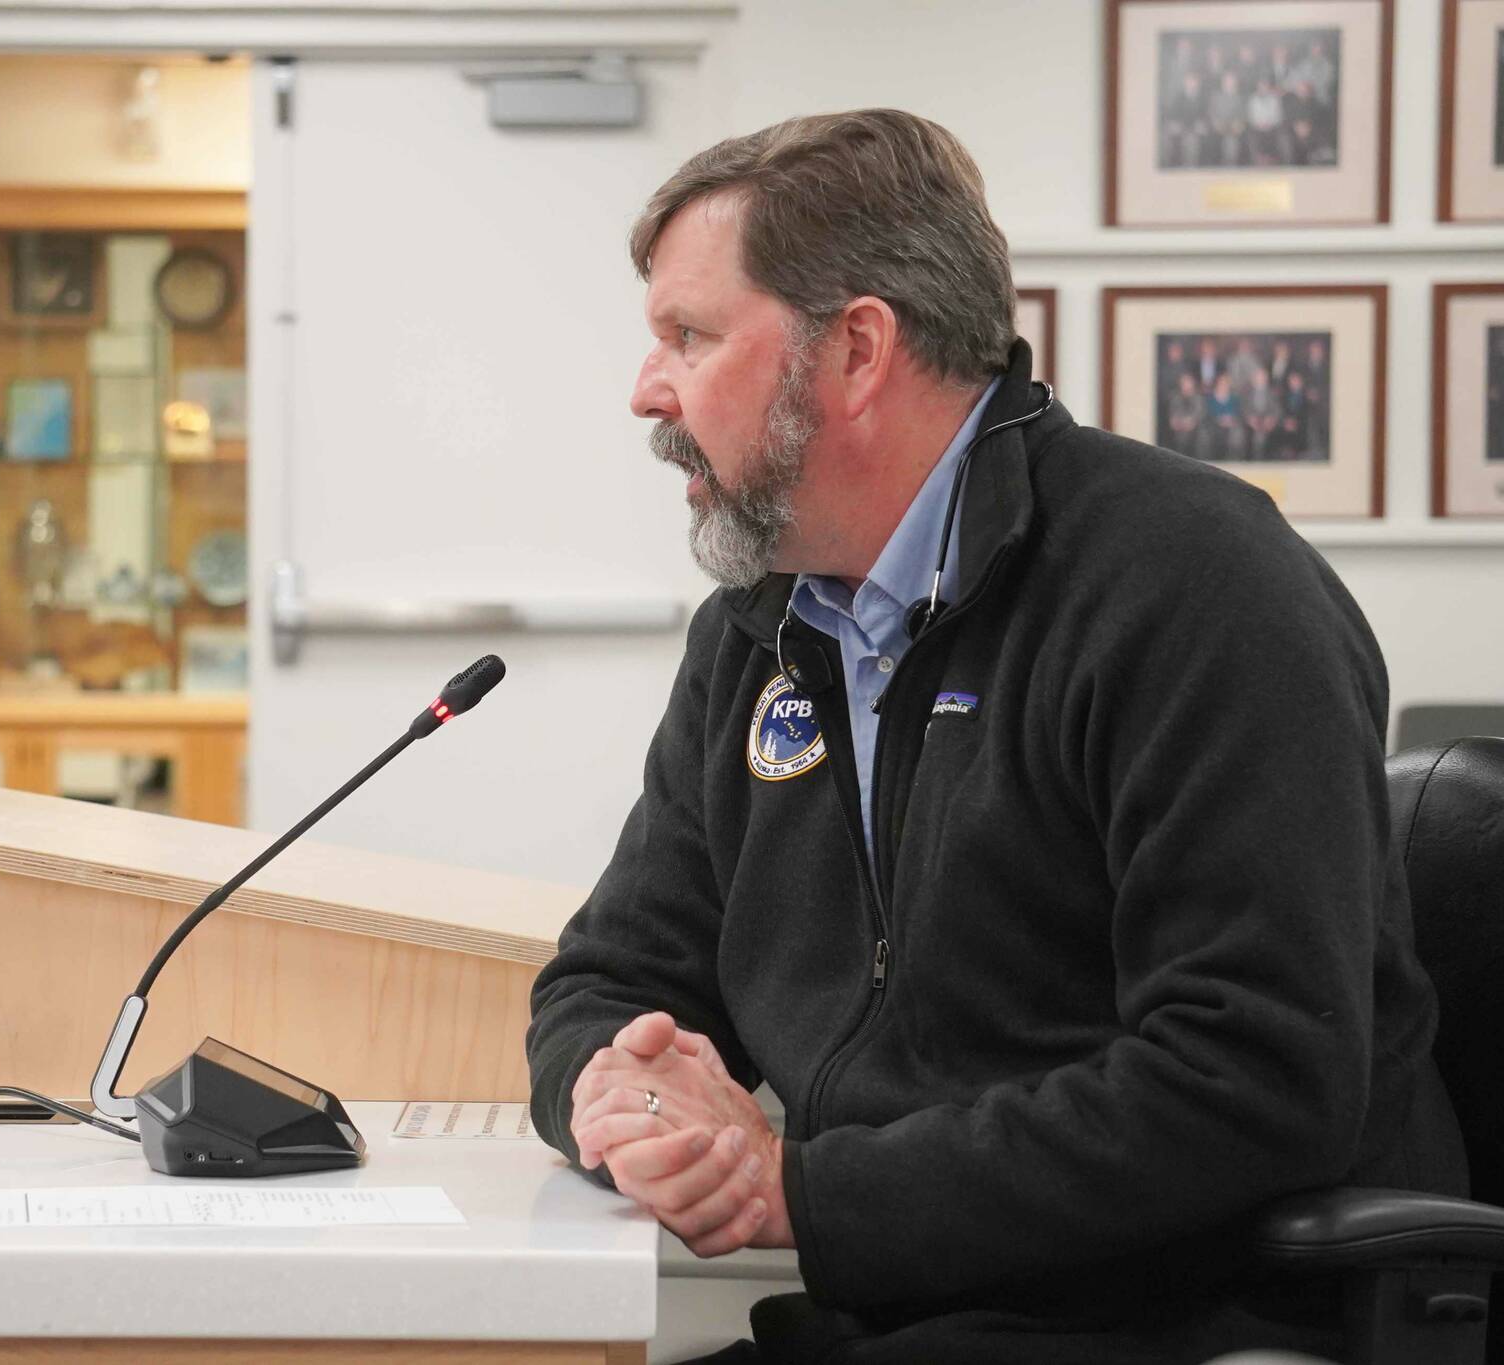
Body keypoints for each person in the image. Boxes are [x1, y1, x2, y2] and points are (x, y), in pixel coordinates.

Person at [523, 109, 1467, 1364]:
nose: (647, 391)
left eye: (688, 337)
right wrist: (620, 1091)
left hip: (1166, 1317)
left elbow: (1249, 1074)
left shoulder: (1194, 588)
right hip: (902, 1310)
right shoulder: (757, 631)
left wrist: (799, 1194)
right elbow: (608, 976)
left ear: (855, 349)